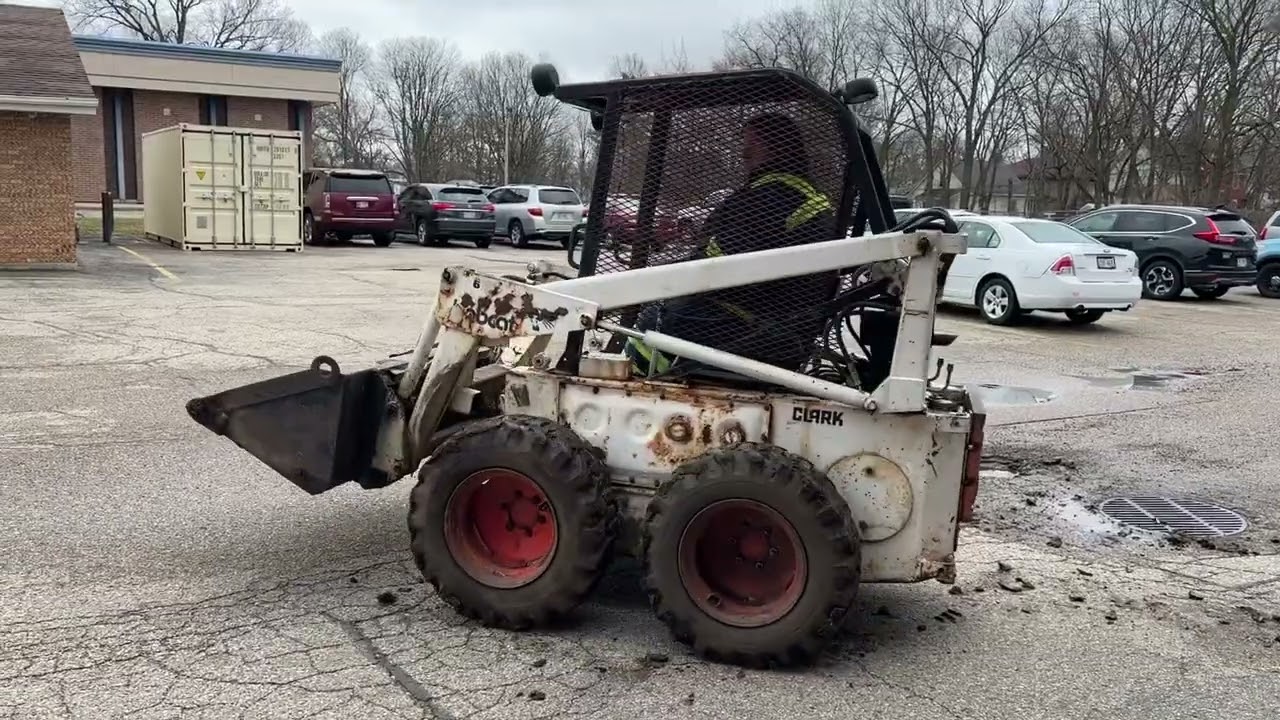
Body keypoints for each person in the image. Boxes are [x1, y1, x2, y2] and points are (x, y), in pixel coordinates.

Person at [625, 113, 838, 376]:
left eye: (751, 145)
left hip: (752, 328)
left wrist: (662, 278)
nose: (743, 153)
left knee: (656, 321)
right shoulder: (808, 197)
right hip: (784, 326)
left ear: (775, 147)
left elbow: (715, 266)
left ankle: (637, 387)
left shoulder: (765, 200)